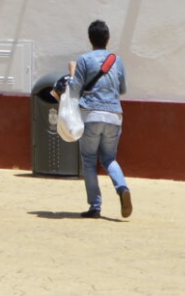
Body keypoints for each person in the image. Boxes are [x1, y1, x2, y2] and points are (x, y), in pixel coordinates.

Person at [56, 19, 131, 219]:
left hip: (91, 114)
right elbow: (122, 89)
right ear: (108, 38)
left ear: (90, 39)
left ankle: (95, 206)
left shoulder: (84, 60)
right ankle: (122, 187)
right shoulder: (117, 60)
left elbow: (76, 88)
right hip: (114, 115)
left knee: (89, 161)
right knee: (109, 159)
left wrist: (70, 78)